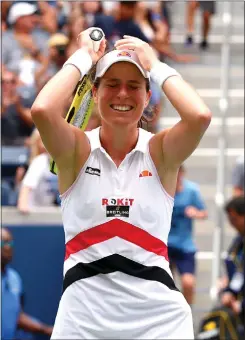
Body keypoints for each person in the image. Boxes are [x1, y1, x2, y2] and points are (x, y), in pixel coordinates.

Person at [30, 27, 212, 338]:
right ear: (95, 92)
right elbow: (43, 110)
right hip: (82, 323)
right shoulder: (75, 151)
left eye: (134, 86)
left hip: (160, 325)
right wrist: (84, 55)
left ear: (147, 95)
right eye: (112, 84)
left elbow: (199, 116)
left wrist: (155, 64)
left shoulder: (161, 153)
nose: (123, 95)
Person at [2, 227, 53, 340]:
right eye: (4, 242)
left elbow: (16, 316)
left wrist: (47, 330)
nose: (8, 247)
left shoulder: (14, 278)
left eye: (10, 243)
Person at [167, 165, 208, 306]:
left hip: (184, 244)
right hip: (164, 244)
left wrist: (195, 212)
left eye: (179, 174)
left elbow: (204, 213)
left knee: (188, 282)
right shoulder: (161, 187)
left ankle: (187, 314)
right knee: (165, 285)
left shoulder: (191, 190)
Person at [17, 130, 59, 213]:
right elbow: (26, 187)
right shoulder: (40, 161)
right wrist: (23, 206)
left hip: (55, 212)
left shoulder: (67, 162)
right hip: (36, 213)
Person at [221, 196, 244, 320]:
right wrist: (228, 290)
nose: (231, 223)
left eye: (234, 219)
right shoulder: (238, 241)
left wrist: (241, 306)